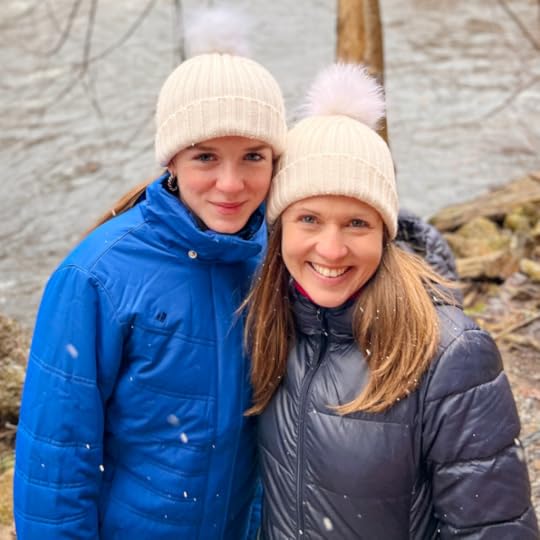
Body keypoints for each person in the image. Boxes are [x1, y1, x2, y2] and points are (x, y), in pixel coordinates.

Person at [13, 8, 287, 539]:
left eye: (252, 156)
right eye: (206, 157)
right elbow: (57, 459)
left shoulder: (278, 257)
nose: (231, 184)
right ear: (172, 161)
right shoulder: (95, 279)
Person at [244, 64, 539, 538]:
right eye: (310, 219)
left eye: (357, 223)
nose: (332, 249)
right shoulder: (266, 322)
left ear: (386, 231)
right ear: (279, 229)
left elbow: (494, 528)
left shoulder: (450, 355)